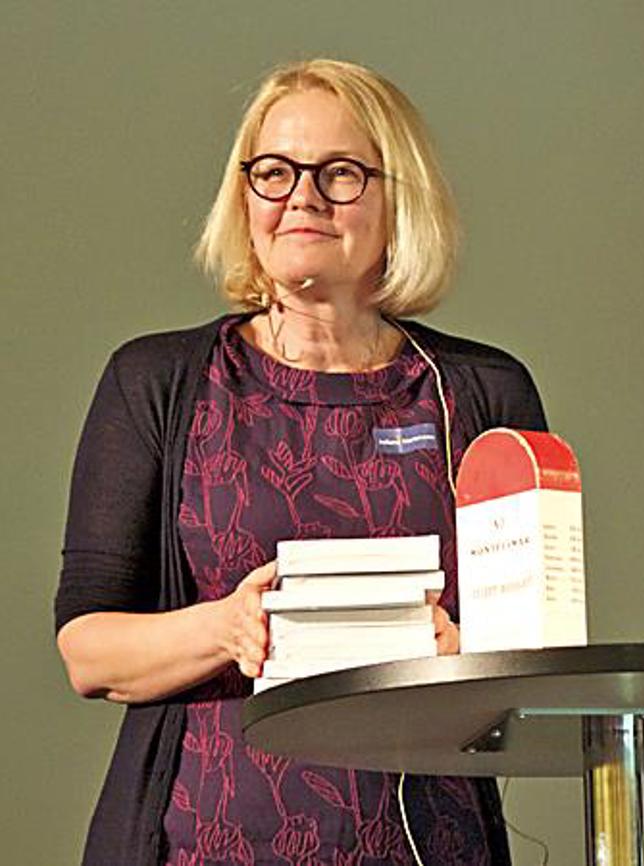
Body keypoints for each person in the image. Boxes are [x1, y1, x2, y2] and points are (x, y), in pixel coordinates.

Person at [55, 59, 542, 865]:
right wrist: (228, 627)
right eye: (274, 172)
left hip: (427, 844)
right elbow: (87, 651)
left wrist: (474, 657)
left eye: (340, 174)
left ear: (400, 199)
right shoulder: (158, 384)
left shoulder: (483, 393)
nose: (300, 199)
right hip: (199, 844)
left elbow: (536, 660)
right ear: (243, 195)